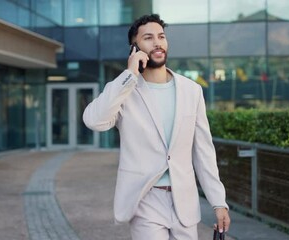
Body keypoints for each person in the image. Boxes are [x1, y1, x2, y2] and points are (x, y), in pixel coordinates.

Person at [82, 14, 230, 240]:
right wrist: (130, 73)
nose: (157, 42)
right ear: (135, 47)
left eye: (161, 36)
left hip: (184, 201)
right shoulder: (125, 91)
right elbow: (94, 120)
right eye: (148, 38)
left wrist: (218, 202)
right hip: (145, 200)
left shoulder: (191, 90)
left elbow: (203, 151)